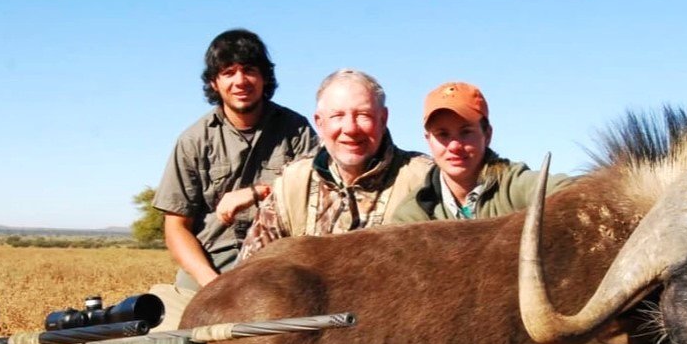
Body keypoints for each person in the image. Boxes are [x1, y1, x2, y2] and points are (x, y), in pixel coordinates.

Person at [151, 29, 316, 325]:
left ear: (265, 78)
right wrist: (212, 284)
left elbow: (320, 195)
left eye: (249, 70)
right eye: (228, 72)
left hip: (279, 265)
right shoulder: (193, 140)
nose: (240, 81)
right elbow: (176, 228)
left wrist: (255, 193)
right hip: (211, 266)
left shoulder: (297, 130)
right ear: (215, 82)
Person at [238, 69, 431, 258]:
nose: (350, 128)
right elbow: (249, 273)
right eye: (337, 116)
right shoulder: (291, 184)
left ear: (383, 119)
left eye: (363, 115)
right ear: (319, 123)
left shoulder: (425, 180)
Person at [391, 81, 568, 223]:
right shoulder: (413, 214)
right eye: (442, 134)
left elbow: (573, 192)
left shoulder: (513, 184)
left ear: (487, 134)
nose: (454, 146)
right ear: (428, 140)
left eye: (466, 132)